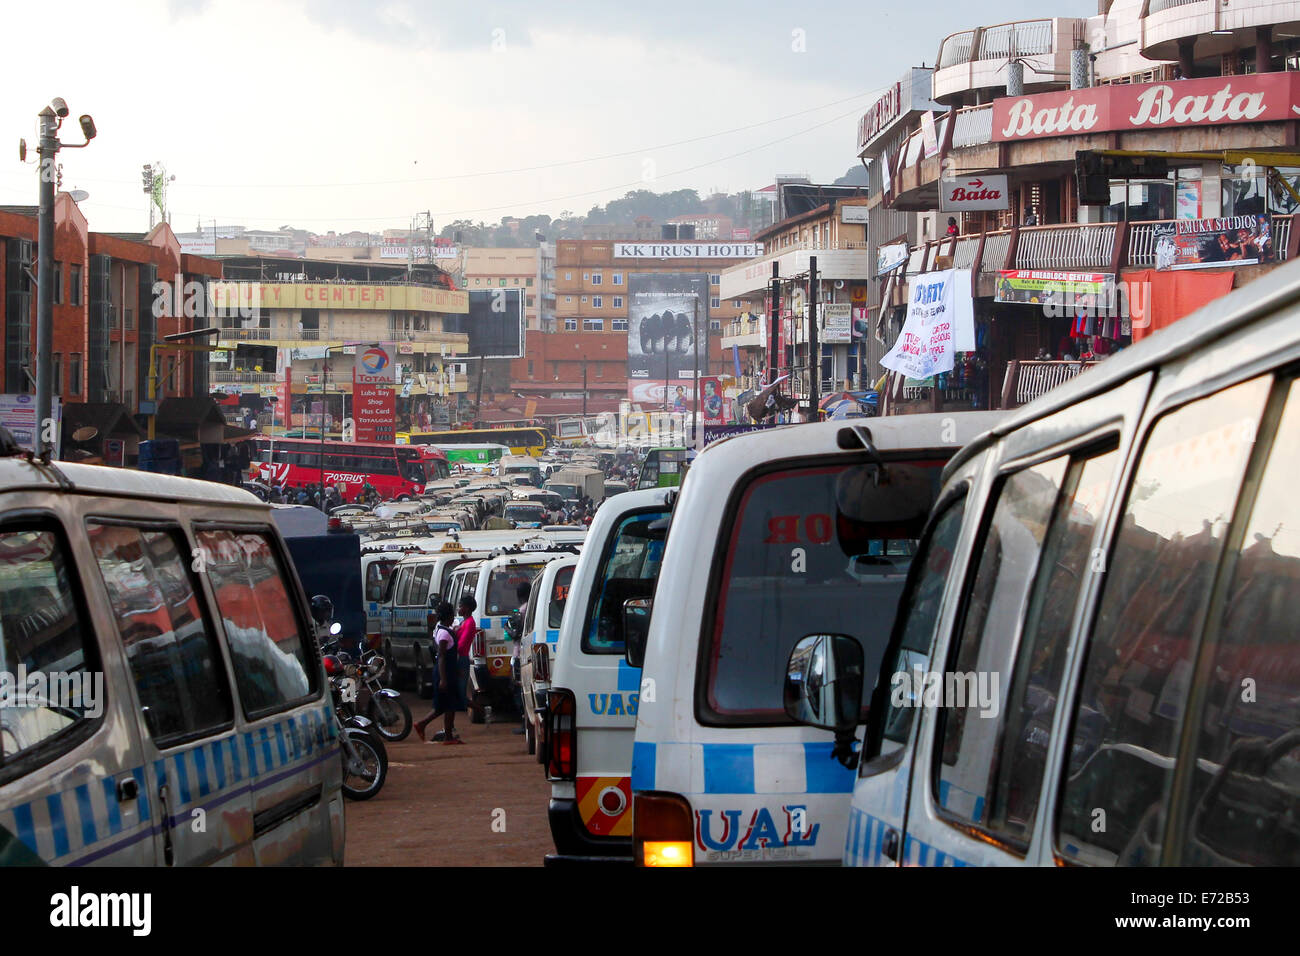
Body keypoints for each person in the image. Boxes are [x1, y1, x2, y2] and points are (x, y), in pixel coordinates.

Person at [413, 600, 463, 744]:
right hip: (444, 672)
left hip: (449, 671)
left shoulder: (443, 630)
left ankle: (438, 732)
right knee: (446, 706)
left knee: (446, 705)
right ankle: (444, 735)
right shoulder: (444, 634)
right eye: (452, 615)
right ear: (448, 616)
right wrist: (443, 678)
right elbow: (441, 656)